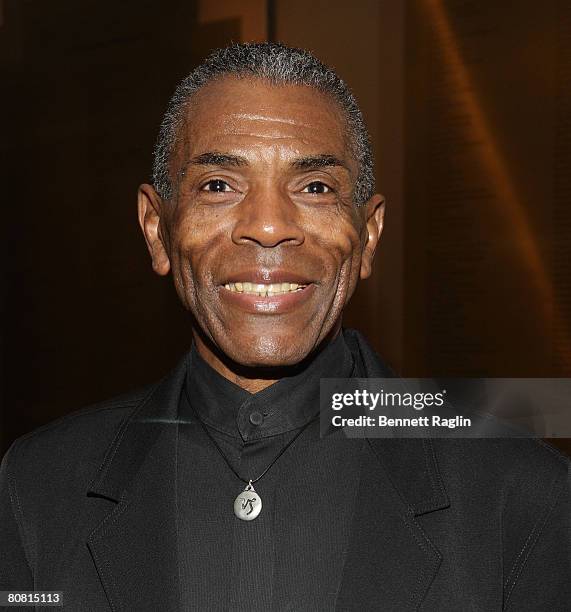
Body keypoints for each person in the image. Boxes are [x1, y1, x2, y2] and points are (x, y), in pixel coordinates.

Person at [0, 42, 569, 612]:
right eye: (219, 184)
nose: (269, 226)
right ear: (157, 230)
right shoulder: (39, 485)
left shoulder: (520, 491)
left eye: (315, 187)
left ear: (367, 235)